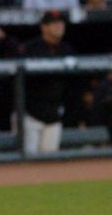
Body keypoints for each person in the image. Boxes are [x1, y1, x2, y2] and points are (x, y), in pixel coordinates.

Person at [19, 10, 76, 154]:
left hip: (54, 115)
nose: (59, 26)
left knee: (50, 161)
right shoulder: (30, 48)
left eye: (61, 23)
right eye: (54, 23)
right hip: (30, 115)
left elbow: (72, 85)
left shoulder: (66, 49)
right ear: (44, 27)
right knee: (28, 162)